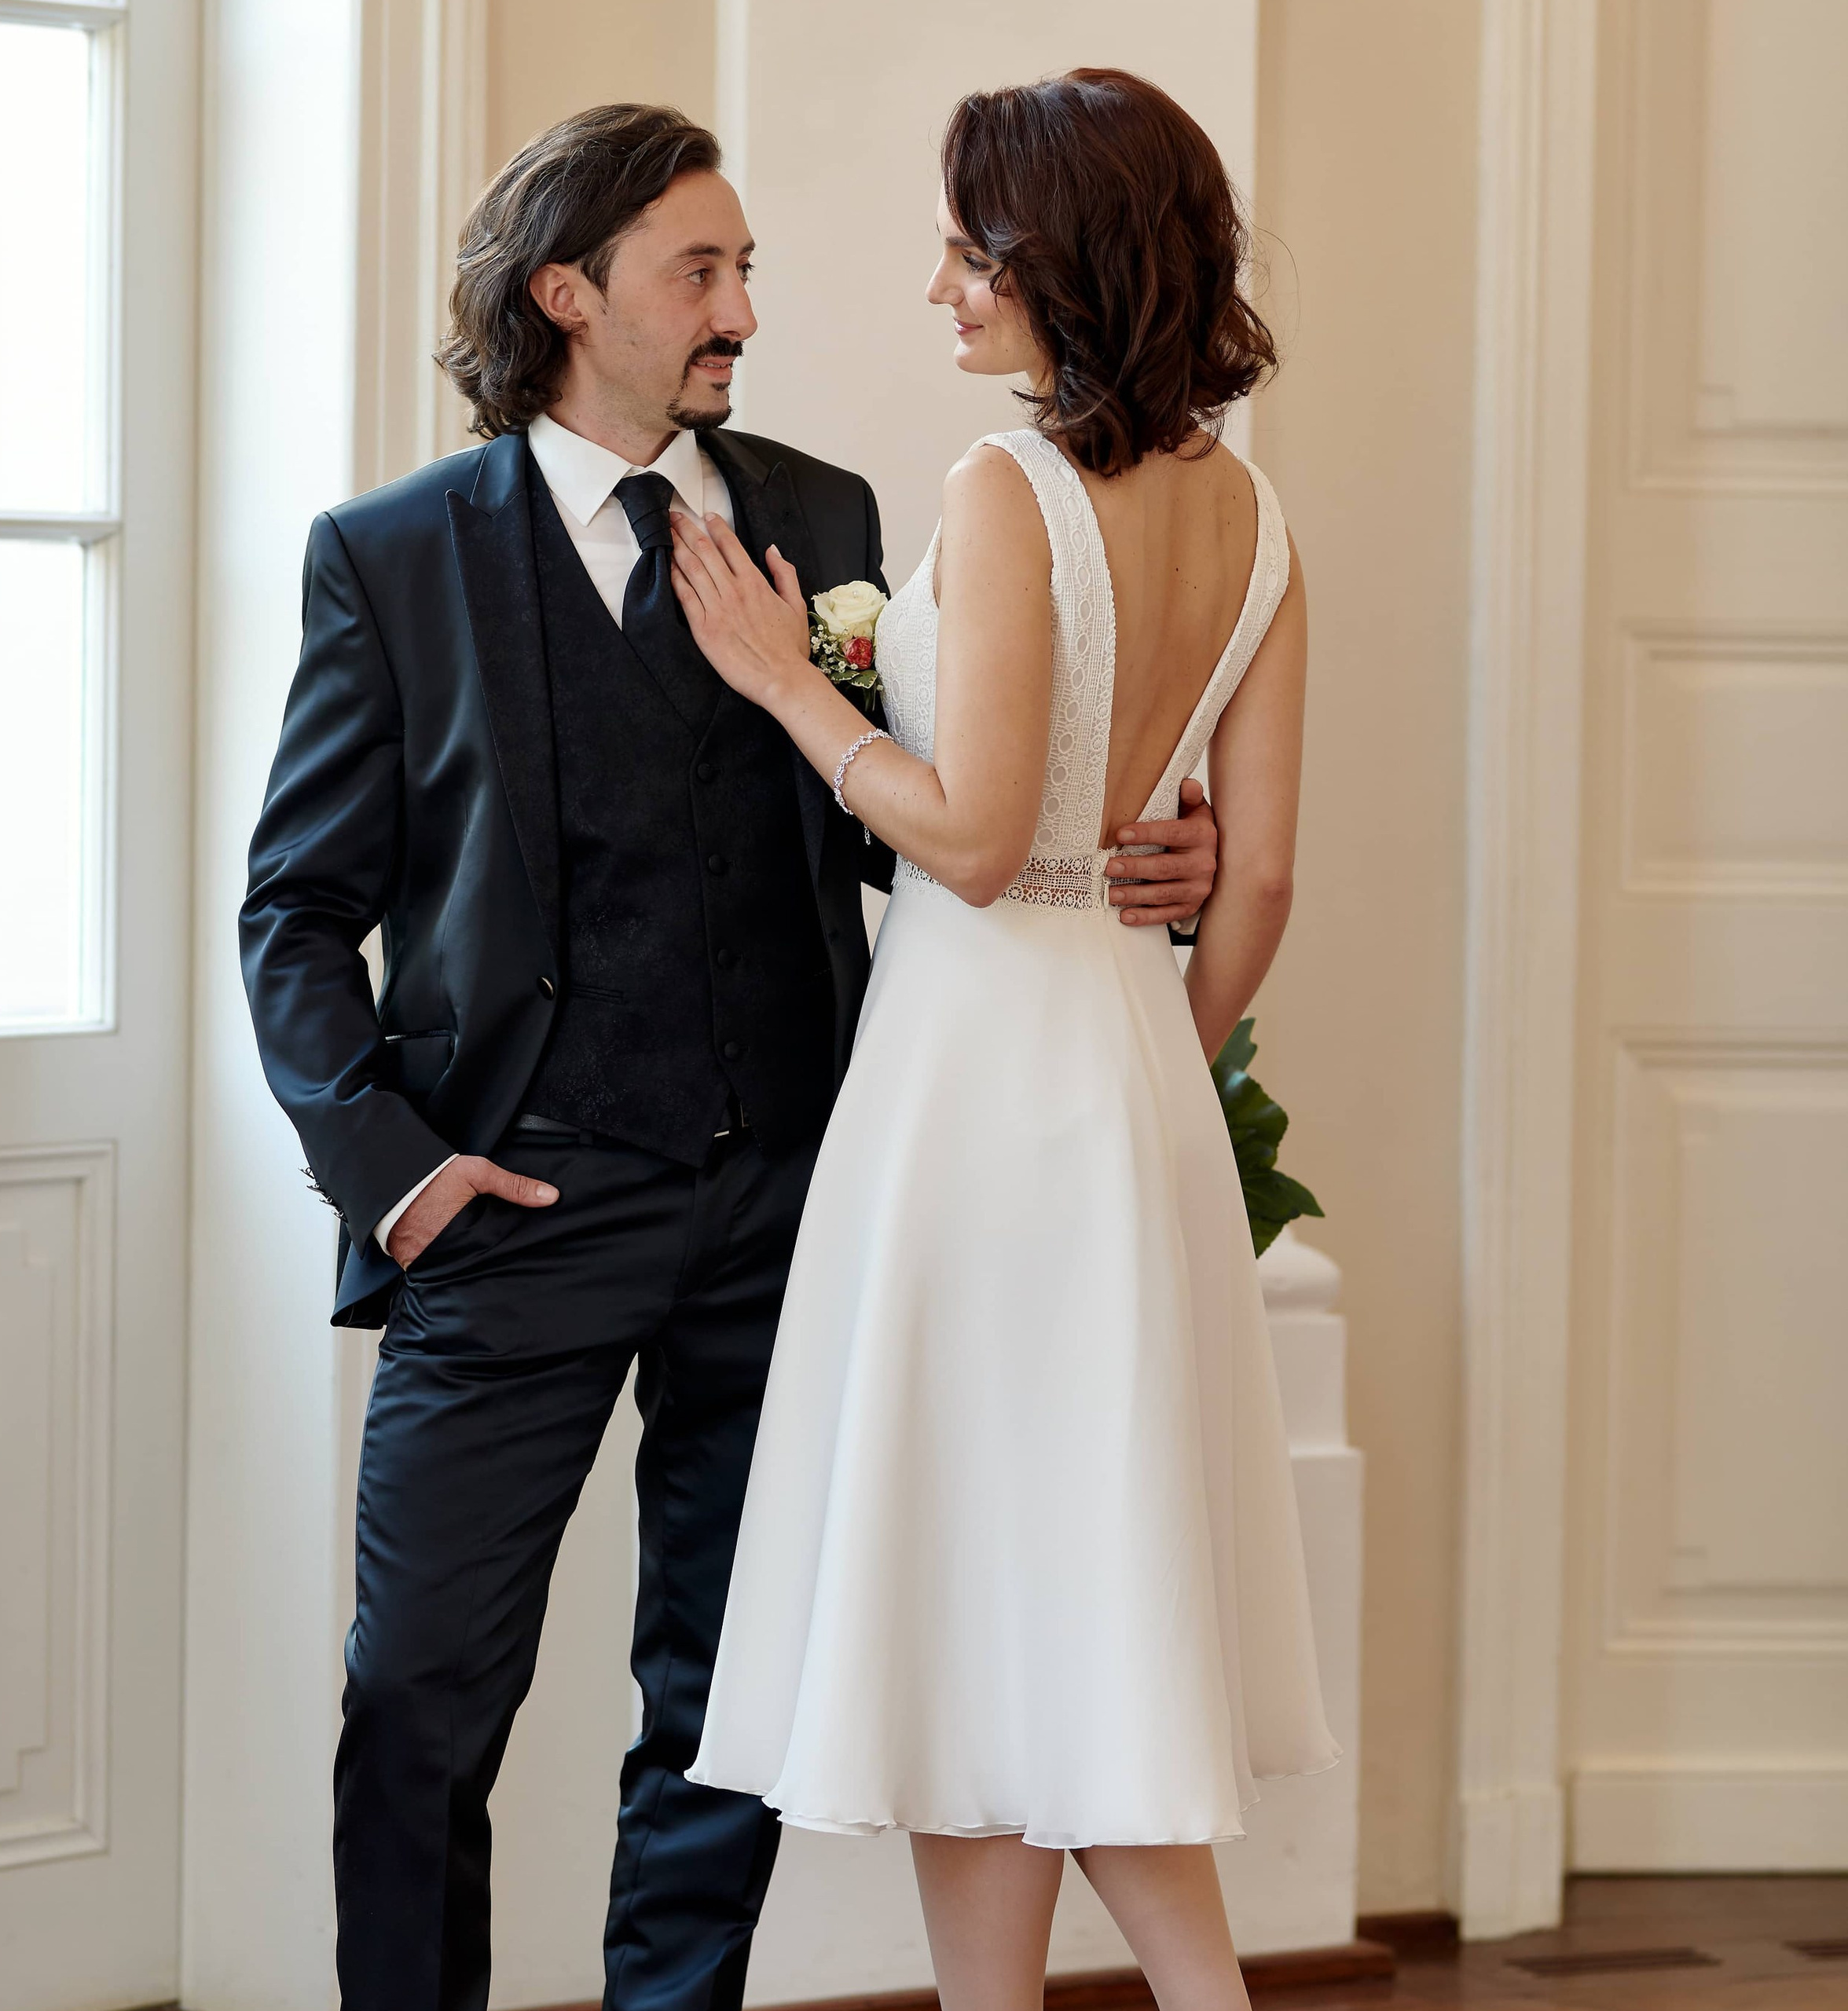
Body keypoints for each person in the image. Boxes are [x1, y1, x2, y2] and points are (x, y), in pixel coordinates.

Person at [238, 103, 1219, 2011]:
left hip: (787, 1201)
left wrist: (1138, 860)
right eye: (701, 269)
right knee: (418, 1689)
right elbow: (293, 911)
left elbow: (934, 827)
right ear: (562, 292)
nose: (743, 308)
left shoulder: (827, 518)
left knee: (718, 1704)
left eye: (746, 266)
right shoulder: (391, 558)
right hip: (507, 1209)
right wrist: (396, 1164)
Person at [677, 70, 1337, 2009]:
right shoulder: (1259, 514)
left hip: (972, 1101)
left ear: (1064, 257)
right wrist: (1157, 1057)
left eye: (973, 249)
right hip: (1123, 1079)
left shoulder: (1008, 486)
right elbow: (1266, 880)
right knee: (1037, 1610)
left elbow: (967, 839)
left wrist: (792, 686)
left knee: (982, 1594)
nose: (943, 287)